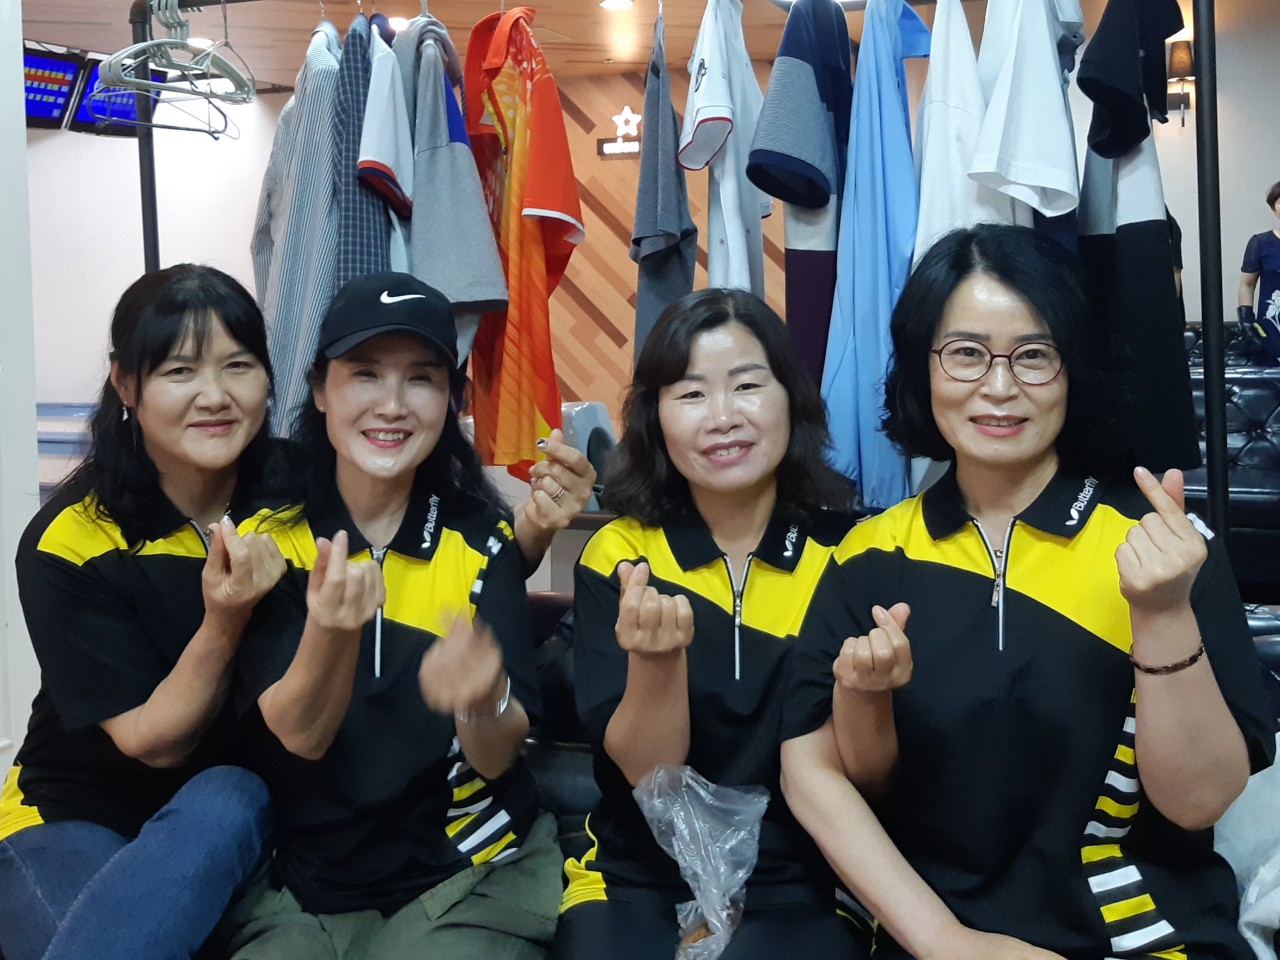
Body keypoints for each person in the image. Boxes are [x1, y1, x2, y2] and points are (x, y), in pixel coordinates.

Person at [781, 224, 1277, 960]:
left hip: (1138, 936)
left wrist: (1164, 613)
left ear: (1074, 369)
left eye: (1035, 355)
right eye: (966, 353)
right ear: (922, 367)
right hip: (930, 935)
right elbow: (811, 768)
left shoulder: (1162, 543)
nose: (1000, 387)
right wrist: (950, 943)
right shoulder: (869, 555)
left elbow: (1199, 801)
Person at [223, 272, 591, 959]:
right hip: (309, 885)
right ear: (319, 389)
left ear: (451, 401)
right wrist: (332, 629)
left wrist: (481, 698)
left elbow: (496, 755)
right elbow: (299, 735)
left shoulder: (482, 541)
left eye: (421, 379)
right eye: (364, 374)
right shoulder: (267, 539)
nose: (392, 405)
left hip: (471, 870)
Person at [551, 288, 868, 960]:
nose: (723, 418)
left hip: (802, 880)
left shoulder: (852, 554)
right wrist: (657, 664)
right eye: (692, 394)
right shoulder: (620, 555)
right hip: (636, 877)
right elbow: (649, 773)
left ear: (791, 399)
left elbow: (868, 769)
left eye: (747, 386)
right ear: (656, 418)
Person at [0, 265, 286, 960]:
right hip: (73, 814)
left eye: (238, 366)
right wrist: (224, 620)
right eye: (180, 371)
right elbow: (151, 740)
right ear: (125, 384)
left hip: (232, 818)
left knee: (230, 792)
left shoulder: (301, 492)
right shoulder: (72, 537)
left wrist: (526, 539)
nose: (214, 396)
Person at [1238, 180, 1280, 362]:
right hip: (1271, 328)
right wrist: (1246, 321)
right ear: (1273, 209)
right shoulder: (1260, 243)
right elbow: (1247, 285)